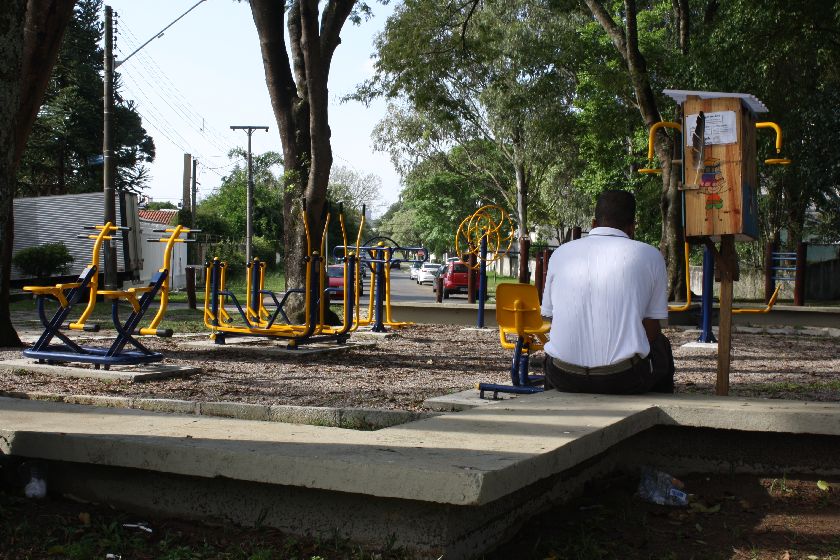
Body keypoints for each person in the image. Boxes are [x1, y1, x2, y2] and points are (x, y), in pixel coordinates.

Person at [540, 189, 675, 394]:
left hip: (563, 376)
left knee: (552, 359)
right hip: (622, 379)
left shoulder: (560, 254)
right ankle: (660, 419)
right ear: (632, 227)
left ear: (594, 224)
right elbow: (651, 330)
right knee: (661, 346)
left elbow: (551, 318)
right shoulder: (650, 255)